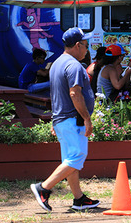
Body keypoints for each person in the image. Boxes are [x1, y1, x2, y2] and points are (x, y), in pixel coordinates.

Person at [31, 27, 100, 212]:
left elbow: (57, 94)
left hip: (62, 119)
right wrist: (87, 118)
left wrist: (55, 120)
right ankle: (43, 188)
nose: (87, 50)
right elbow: (74, 94)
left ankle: (79, 199)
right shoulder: (74, 65)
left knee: (70, 161)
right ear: (77, 45)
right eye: (86, 45)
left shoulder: (57, 63)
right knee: (77, 157)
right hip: (73, 119)